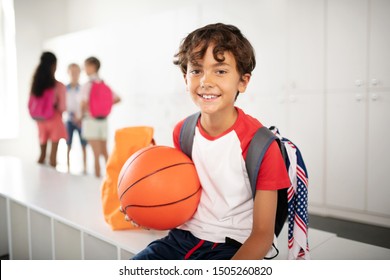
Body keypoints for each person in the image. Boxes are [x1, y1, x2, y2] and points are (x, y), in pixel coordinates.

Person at [130, 23, 291, 260]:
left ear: (243, 81)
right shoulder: (183, 132)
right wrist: (143, 207)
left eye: (221, 71)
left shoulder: (262, 146)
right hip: (181, 239)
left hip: (234, 245)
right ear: (185, 78)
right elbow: (180, 195)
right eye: (196, 70)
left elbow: (262, 235)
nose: (206, 81)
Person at [80, 56, 121, 178]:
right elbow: (118, 99)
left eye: (86, 66)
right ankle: (113, 179)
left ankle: (97, 181)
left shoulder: (87, 85)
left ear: (93, 66)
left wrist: (85, 112)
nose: (84, 69)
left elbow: (83, 103)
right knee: (105, 152)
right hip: (103, 121)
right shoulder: (104, 84)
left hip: (91, 121)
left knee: (95, 154)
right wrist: (103, 106)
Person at [30, 51, 67, 168]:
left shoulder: (36, 84)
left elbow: (31, 102)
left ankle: (40, 183)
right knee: (53, 159)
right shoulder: (59, 86)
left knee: (41, 156)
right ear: (54, 65)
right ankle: (53, 185)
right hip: (54, 119)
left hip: (40, 121)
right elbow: (62, 107)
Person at [65, 63, 87, 174]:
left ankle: (85, 168)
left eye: (76, 72)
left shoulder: (83, 88)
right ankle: (68, 168)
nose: (74, 74)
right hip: (69, 120)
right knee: (68, 144)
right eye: (72, 72)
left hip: (81, 121)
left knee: (84, 144)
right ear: (68, 72)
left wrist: (80, 117)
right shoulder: (64, 89)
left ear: (79, 73)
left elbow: (86, 105)